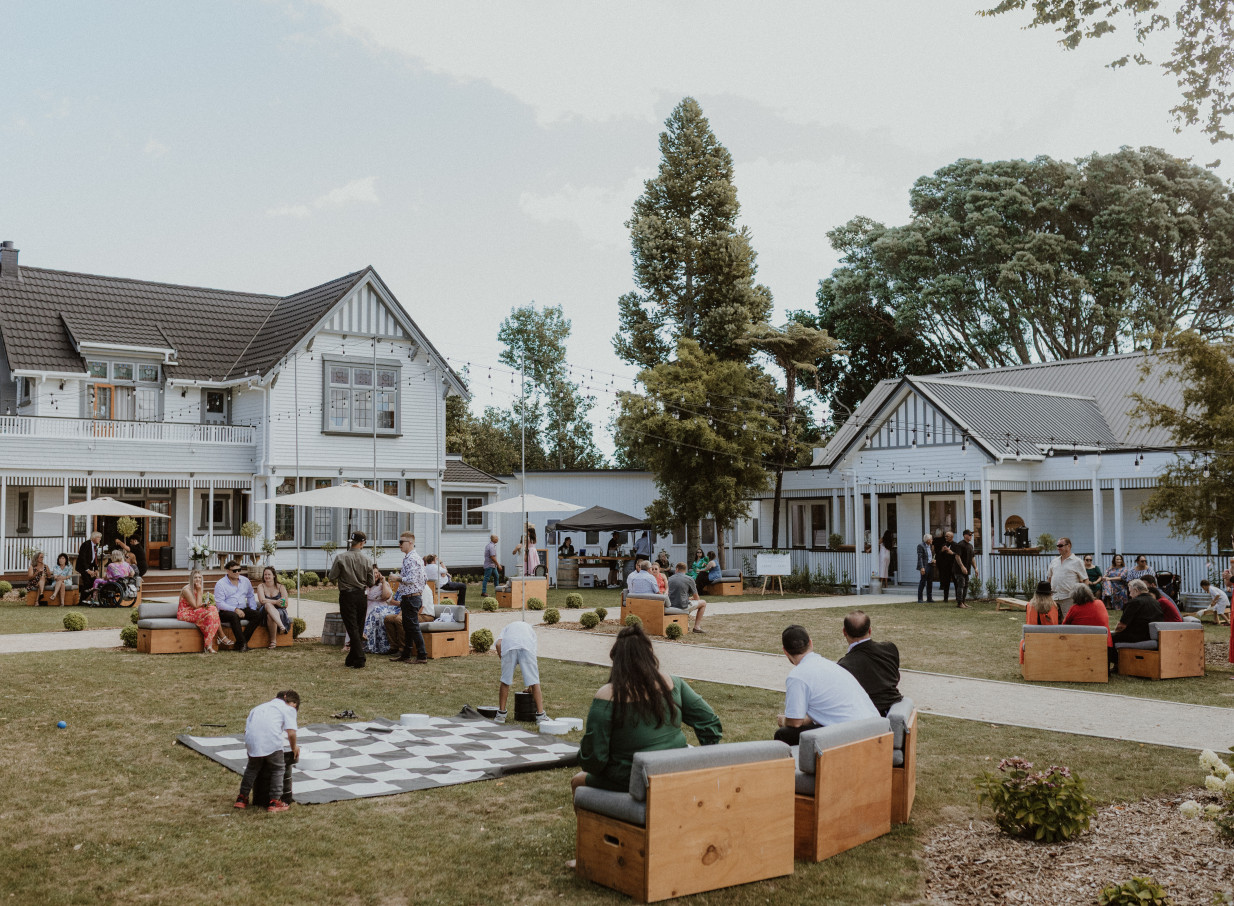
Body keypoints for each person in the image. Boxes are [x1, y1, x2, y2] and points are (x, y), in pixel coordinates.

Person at [570, 624, 722, 793]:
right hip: (673, 771)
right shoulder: (672, 683)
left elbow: (594, 759)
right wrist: (706, 758)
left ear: (616, 659)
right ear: (650, 654)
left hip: (630, 779)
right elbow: (709, 721)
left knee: (578, 781)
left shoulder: (608, 695)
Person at [774, 625, 878, 745]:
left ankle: (790, 764)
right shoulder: (831, 666)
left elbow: (795, 722)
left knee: (783, 733)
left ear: (785, 651)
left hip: (853, 736)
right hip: (875, 728)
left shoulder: (797, 676)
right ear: (811, 643)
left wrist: (784, 720)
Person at [234, 690, 300, 813]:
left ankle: (242, 798)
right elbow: (291, 733)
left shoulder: (258, 708)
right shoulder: (288, 709)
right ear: (293, 703)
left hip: (252, 742)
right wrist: (294, 747)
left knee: (252, 768)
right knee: (278, 768)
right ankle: (275, 801)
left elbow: (246, 730)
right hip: (271, 742)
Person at [837, 611, 902, 716]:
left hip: (869, 715)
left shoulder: (844, 666)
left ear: (844, 632)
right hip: (895, 706)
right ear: (870, 630)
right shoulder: (890, 648)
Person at [328, 533, 375, 668]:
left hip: (347, 595)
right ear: (362, 543)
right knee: (358, 626)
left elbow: (332, 576)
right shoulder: (367, 560)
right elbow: (371, 582)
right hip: (361, 595)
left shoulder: (340, 558)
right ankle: (352, 657)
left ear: (351, 542)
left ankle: (359, 657)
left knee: (351, 626)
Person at [494, 620, 549, 724]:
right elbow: (532, 653)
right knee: (535, 680)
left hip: (509, 647)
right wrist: (531, 685)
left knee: (505, 681)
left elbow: (498, 644)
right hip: (526, 646)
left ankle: (500, 715)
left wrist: (504, 660)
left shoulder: (507, 628)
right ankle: (541, 716)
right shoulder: (530, 631)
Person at [390, 531, 427, 665]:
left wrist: (397, 578)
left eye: (401, 542)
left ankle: (422, 655)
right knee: (408, 626)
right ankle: (406, 654)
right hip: (410, 597)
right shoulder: (411, 558)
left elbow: (412, 579)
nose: (399, 545)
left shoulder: (412, 558)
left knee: (413, 627)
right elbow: (424, 579)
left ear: (410, 542)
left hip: (412, 598)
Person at [214, 560, 262, 652]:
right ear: (227, 571)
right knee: (234, 616)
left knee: (257, 614)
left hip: (242, 609)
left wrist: (252, 610)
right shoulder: (220, 584)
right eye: (234, 571)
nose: (237, 573)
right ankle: (243, 644)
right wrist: (235, 609)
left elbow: (250, 596)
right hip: (226, 612)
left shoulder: (245, 581)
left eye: (239, 570)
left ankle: (240, 643)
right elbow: (219, 603)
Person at [1112, 578, 1165, 661]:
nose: (1130, 595)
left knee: (1108, 638)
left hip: (1137, 636)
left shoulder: (1134, 602)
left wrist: (1115, 632)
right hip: (1152, 636)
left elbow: (1121, 626)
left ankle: (1117, 662)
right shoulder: (1155, 602)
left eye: (1130, 592)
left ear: (1136, 590)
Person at [178, 568, 222, 654]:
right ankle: (213, 641)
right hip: (185, 613)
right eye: (195, 577)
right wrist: (199, 591)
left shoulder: (198, 587)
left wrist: (205, 604)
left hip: (195, 612)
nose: (198, 579)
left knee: (211, 612)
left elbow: (198, 604)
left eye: (199, 577)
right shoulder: (187, 590)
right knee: (213, 610)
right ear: (191, 579)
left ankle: (208, 646)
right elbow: (196, 606)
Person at [362, 564, 400, 654]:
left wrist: (383, 582)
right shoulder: (365, 585)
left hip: (380, 606)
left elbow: (386, 597)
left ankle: (365, 634)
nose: (374, 575)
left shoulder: (383, 584)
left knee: (374, 614)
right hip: (367, 605)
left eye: (376, 573)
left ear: (379, 574)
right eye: (372, 573)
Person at [1062, 585, 1112, 653]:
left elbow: (1064, 626)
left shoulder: (1074, 609)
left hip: (1083, 646)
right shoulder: (1100, 603)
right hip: (1105, 643)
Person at [253, 566, 291, 648]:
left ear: (274, 575)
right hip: (264, 610)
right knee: (267, 605)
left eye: (269, 574)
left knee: (270, 615)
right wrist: (276, 602)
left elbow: (285, 604)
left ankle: (273, 641)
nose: (267, 576)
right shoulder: (261, 586)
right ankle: (281, 625)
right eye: (265, 574)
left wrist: (280, 603)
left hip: (279, 611)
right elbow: (262, 601)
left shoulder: (281, 587)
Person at [1046, 537, 1087, 611]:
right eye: (1057, 546)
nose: (1058, 548)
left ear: (1069, 546)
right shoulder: (1054, 561)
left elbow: (1085, 580)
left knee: (1069, 622)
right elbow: (1049, 579)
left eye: (1060, 546)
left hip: (1069, 598)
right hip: (1054, 598)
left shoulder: (1077, 561)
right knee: (1054, 621)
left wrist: (1082, 596)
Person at [666, 562, 708, 633]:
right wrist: (692, 598)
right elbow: (696, 597)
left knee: (687, 601)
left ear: (676, 569)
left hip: (671, 604)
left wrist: (688, 598)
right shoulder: (689, 579)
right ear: (685, 570)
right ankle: (696, 627)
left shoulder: (669, 578)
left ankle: (687, 624)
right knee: (703, 603)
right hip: (682, 606)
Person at [951, 529, 976, 609]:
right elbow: (957, 556)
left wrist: (975, 568)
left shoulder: (970, 546)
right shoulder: (960, 545)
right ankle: (959, 603)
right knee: (961, 585)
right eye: (969, 535)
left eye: (971, 535)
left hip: (967, 569)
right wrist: (962, 566)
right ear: (965, 535)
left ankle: (964, 602)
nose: (971, 536)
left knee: (966, 585)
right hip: (959, 570)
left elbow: (972, 558)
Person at [75, 531, 102, 604]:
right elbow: (82, 558)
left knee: (93, 581)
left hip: (89, 567)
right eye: (98, 537)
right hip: (82, 567)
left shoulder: (95, 546)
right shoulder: (86, 544)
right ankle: (82, 601)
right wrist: (87, 570)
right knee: (87, 582)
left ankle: (87, 600)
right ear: (94, 538)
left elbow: (94, 559)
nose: (100, 539)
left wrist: (96, 569)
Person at [934, 531, 955, 603]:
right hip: (946, 567)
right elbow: (939, 556)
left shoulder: (955, 545)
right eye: (945, 536)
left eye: (947, 536)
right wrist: (942, 551)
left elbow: (958, 555)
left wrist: (951, 552)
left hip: (954, 566)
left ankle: (958, 598)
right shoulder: (944, 544)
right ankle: (945, 598)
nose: (945, 537)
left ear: (951, 537)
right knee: (946, 583)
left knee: (956, 582)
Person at [916, 533, 935, 603]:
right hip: (925, 566)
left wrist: (933, 560)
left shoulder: (930, 546)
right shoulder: (921, 546)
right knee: (923, 582)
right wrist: (922, 567)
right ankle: (920, 598)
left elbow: (930, 556)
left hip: (930, 565)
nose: (932, 540)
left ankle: (929, 598)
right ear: (928, 540)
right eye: (931, 539)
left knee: (930, 582)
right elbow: (920, 557)